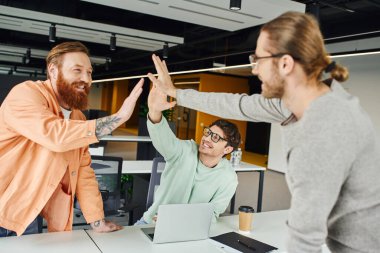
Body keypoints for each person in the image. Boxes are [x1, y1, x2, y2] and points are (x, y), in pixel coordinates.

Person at [147, 11, 380, 253]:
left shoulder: (322, 130)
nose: (254, 69)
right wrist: (176, 92)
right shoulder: (295, 103)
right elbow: (236, 105)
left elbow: (305, 239)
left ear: (285, 63)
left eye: (258, 59)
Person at [0, 41, 144, 236]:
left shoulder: (77, 117)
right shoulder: (26, 94)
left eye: (90, 72)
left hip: (30, 212)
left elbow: (84, 170)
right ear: (53, 71)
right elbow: (56, 136)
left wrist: (97, 221)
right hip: (5, 205)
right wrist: (119, 118)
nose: (86, 78)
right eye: (77, 70)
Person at [135, 85, 240, 224]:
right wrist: (154, 112)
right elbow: (165, 141)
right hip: (153, 223)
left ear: (227, 150)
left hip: (190, 229)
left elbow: (213, 213)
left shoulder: (229, 178)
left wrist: (179, 220)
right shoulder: (185, 150)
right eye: (208, 132)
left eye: (215, 138)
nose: (207, 139)